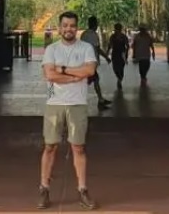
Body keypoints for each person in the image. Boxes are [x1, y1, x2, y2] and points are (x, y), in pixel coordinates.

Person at [38, 11, 98, 210]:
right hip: (54, 103)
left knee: (78, 148)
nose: (68, 29)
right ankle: (44, 188)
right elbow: (49, 75)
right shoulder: (52, 49)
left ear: (76, 27)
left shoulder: (86, 48)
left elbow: (89, 71)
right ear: (59, 28)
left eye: (72, 25)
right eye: (65, 25)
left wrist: (62, 69)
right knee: (50, 146)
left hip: (77, 103)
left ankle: (82, 190)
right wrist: (74, 76)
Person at [78, 16, 112, 108]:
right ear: (94, 24)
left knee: (94, 80)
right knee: (91, 80)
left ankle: (101, 100)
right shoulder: (93, 35)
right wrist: (106, 57)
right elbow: (97, 49)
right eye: (96, 23)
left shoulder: (84, 34)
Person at [106, 23, 130, 89]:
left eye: (119, 29)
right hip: (115, 54)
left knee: (121, 69)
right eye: (117, 29)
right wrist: (107, 54)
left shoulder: (123, 36)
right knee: (115, 68)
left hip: (122, 55)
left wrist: (126, 54)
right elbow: (109, 45)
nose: (118, 30)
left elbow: (127, 45)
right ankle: (119, 79)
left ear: (120, 29)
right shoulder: (112, 36)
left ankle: (119, 80)